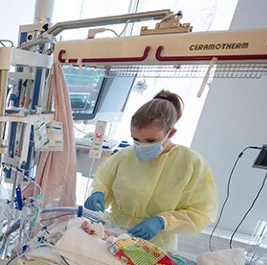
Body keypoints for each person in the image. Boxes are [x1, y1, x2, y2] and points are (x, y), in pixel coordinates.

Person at [84, 90, 217, 250]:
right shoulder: (124, 156)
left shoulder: (190, 163)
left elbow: (201, 211)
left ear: (171, 132)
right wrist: (99, 193)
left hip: (157, 243)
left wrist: (162, 221)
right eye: (136, 139)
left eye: (151, 140)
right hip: (115, 235)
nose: (142, 145)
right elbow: (104, 183)